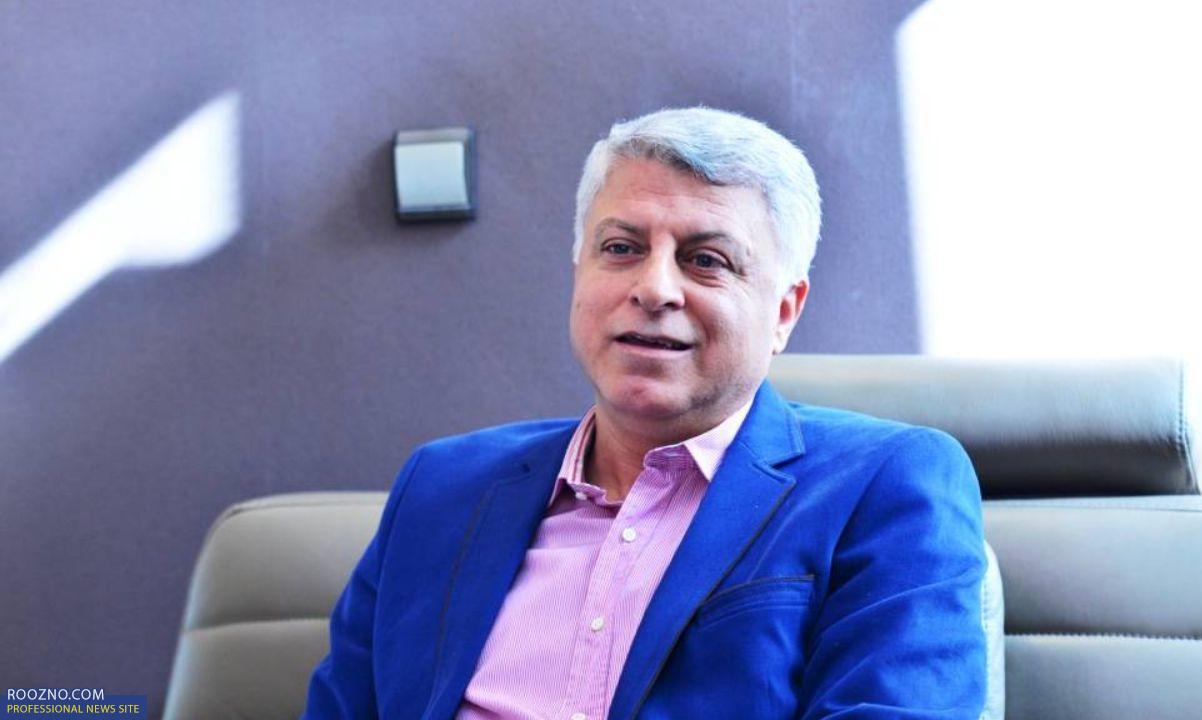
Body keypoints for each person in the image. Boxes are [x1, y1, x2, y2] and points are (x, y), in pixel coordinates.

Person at [301, 107, 987, 719]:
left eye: (706, 259)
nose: (654, 289)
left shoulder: (886, 483)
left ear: (783, 312)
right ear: (579, 273)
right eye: (621, 248)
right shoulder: (442, 485)